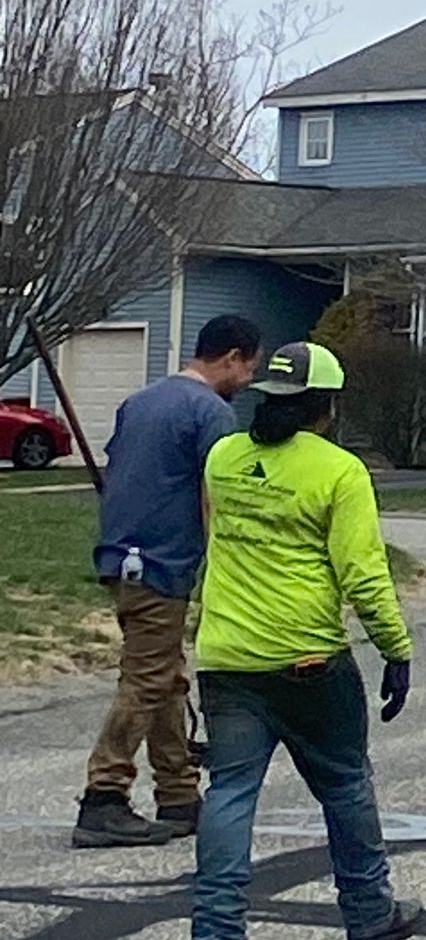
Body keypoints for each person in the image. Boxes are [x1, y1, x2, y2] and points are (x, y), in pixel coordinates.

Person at [190, 341, 418, 940]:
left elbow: (214, 538)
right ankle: (370, 918)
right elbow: (364, 576)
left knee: (231, 792)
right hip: (307, 658)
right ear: (327, 405)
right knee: (345, 785)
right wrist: (396, 651)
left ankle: (215, 936)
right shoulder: (339, 472)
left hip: (227, 656)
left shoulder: (224, 457)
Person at [74, 313, 265, 850]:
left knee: (164, 676)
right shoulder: (211, 414)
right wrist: (227, 566)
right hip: (163, 562)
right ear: (231, 357)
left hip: (120, 556)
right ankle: (103, 796)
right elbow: (216, 498)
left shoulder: (141, 402)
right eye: (247, 368)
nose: (246, 380)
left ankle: (179, 794)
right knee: (147, 679)